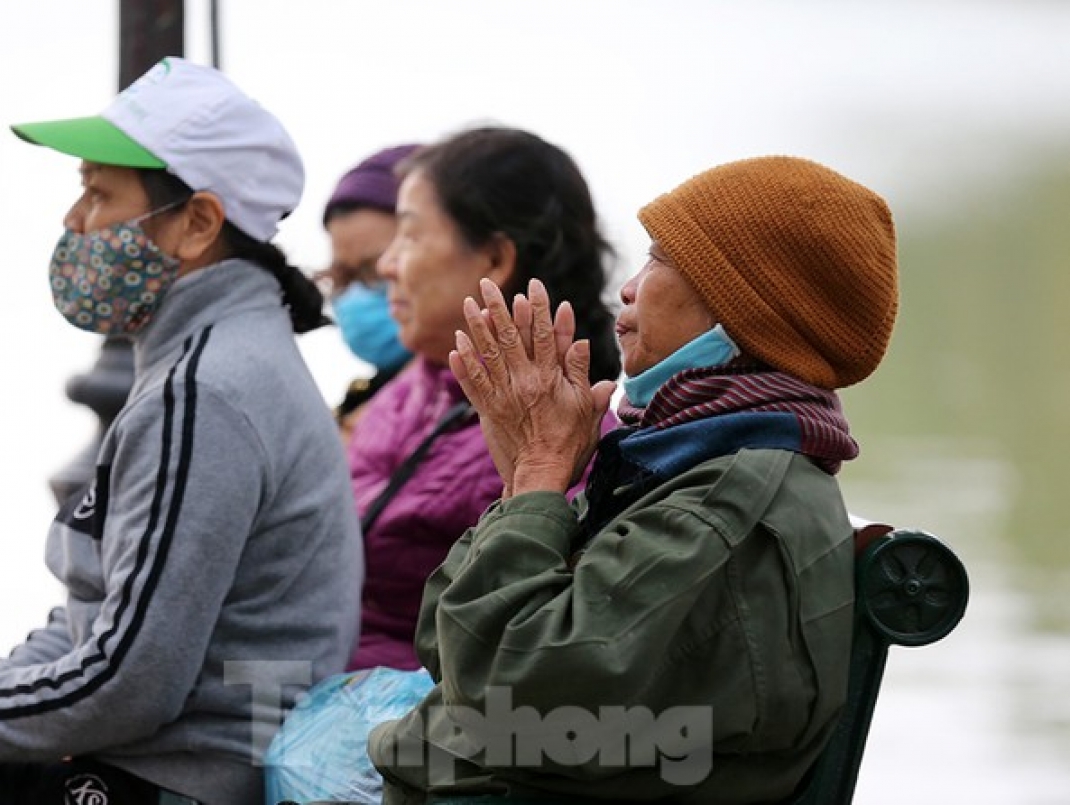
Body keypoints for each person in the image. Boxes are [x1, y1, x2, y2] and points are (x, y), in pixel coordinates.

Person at [0, 57, 363, 805]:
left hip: (170, 779)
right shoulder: (210, 364)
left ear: (197, 223)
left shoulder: (206, 389)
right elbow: (91, 616)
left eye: (99, 194)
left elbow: (132, 682)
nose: (75, 223)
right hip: (144, 758)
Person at [368, 155, 899, 803]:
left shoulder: (722, 496)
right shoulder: (684, 455)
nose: (627, 288)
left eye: (658, 260)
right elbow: (447, 645)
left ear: (741, 307)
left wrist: (537, 475)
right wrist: (525, 483)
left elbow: (498, 687)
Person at [344, 126, 622, 673]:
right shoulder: (411, 385)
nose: (387, 265)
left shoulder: (574, 436)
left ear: (495, 258)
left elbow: (525, 647)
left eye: (410, 236)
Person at [319, 144, 422, 441]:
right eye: (346, 275)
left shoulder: (487, 410)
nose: (358, 293)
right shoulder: (358, 406)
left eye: (374, 271)